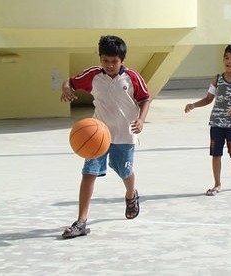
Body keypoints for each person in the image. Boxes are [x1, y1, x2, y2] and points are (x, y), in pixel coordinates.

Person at [60, 35, 151, 238]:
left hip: (125, 136)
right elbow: (70, 82)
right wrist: (66, 88)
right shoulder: (93, 75)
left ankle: (131, 193)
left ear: (122, 60)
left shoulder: (132, 77)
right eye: (105, 60)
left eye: (114, 61)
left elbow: (145, 98)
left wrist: (142, 120)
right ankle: (81, 221)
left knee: (124, 172)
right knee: (88, 173)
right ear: (100, 58)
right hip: (98, 135)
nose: (109, 65)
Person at [184, 42, 231, 196]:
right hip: (216, 124)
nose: (228, 61)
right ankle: (217, 184)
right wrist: (194, 105)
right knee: (216, 153)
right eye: (226, 58)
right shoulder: (217, 79)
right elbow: (209, 98)